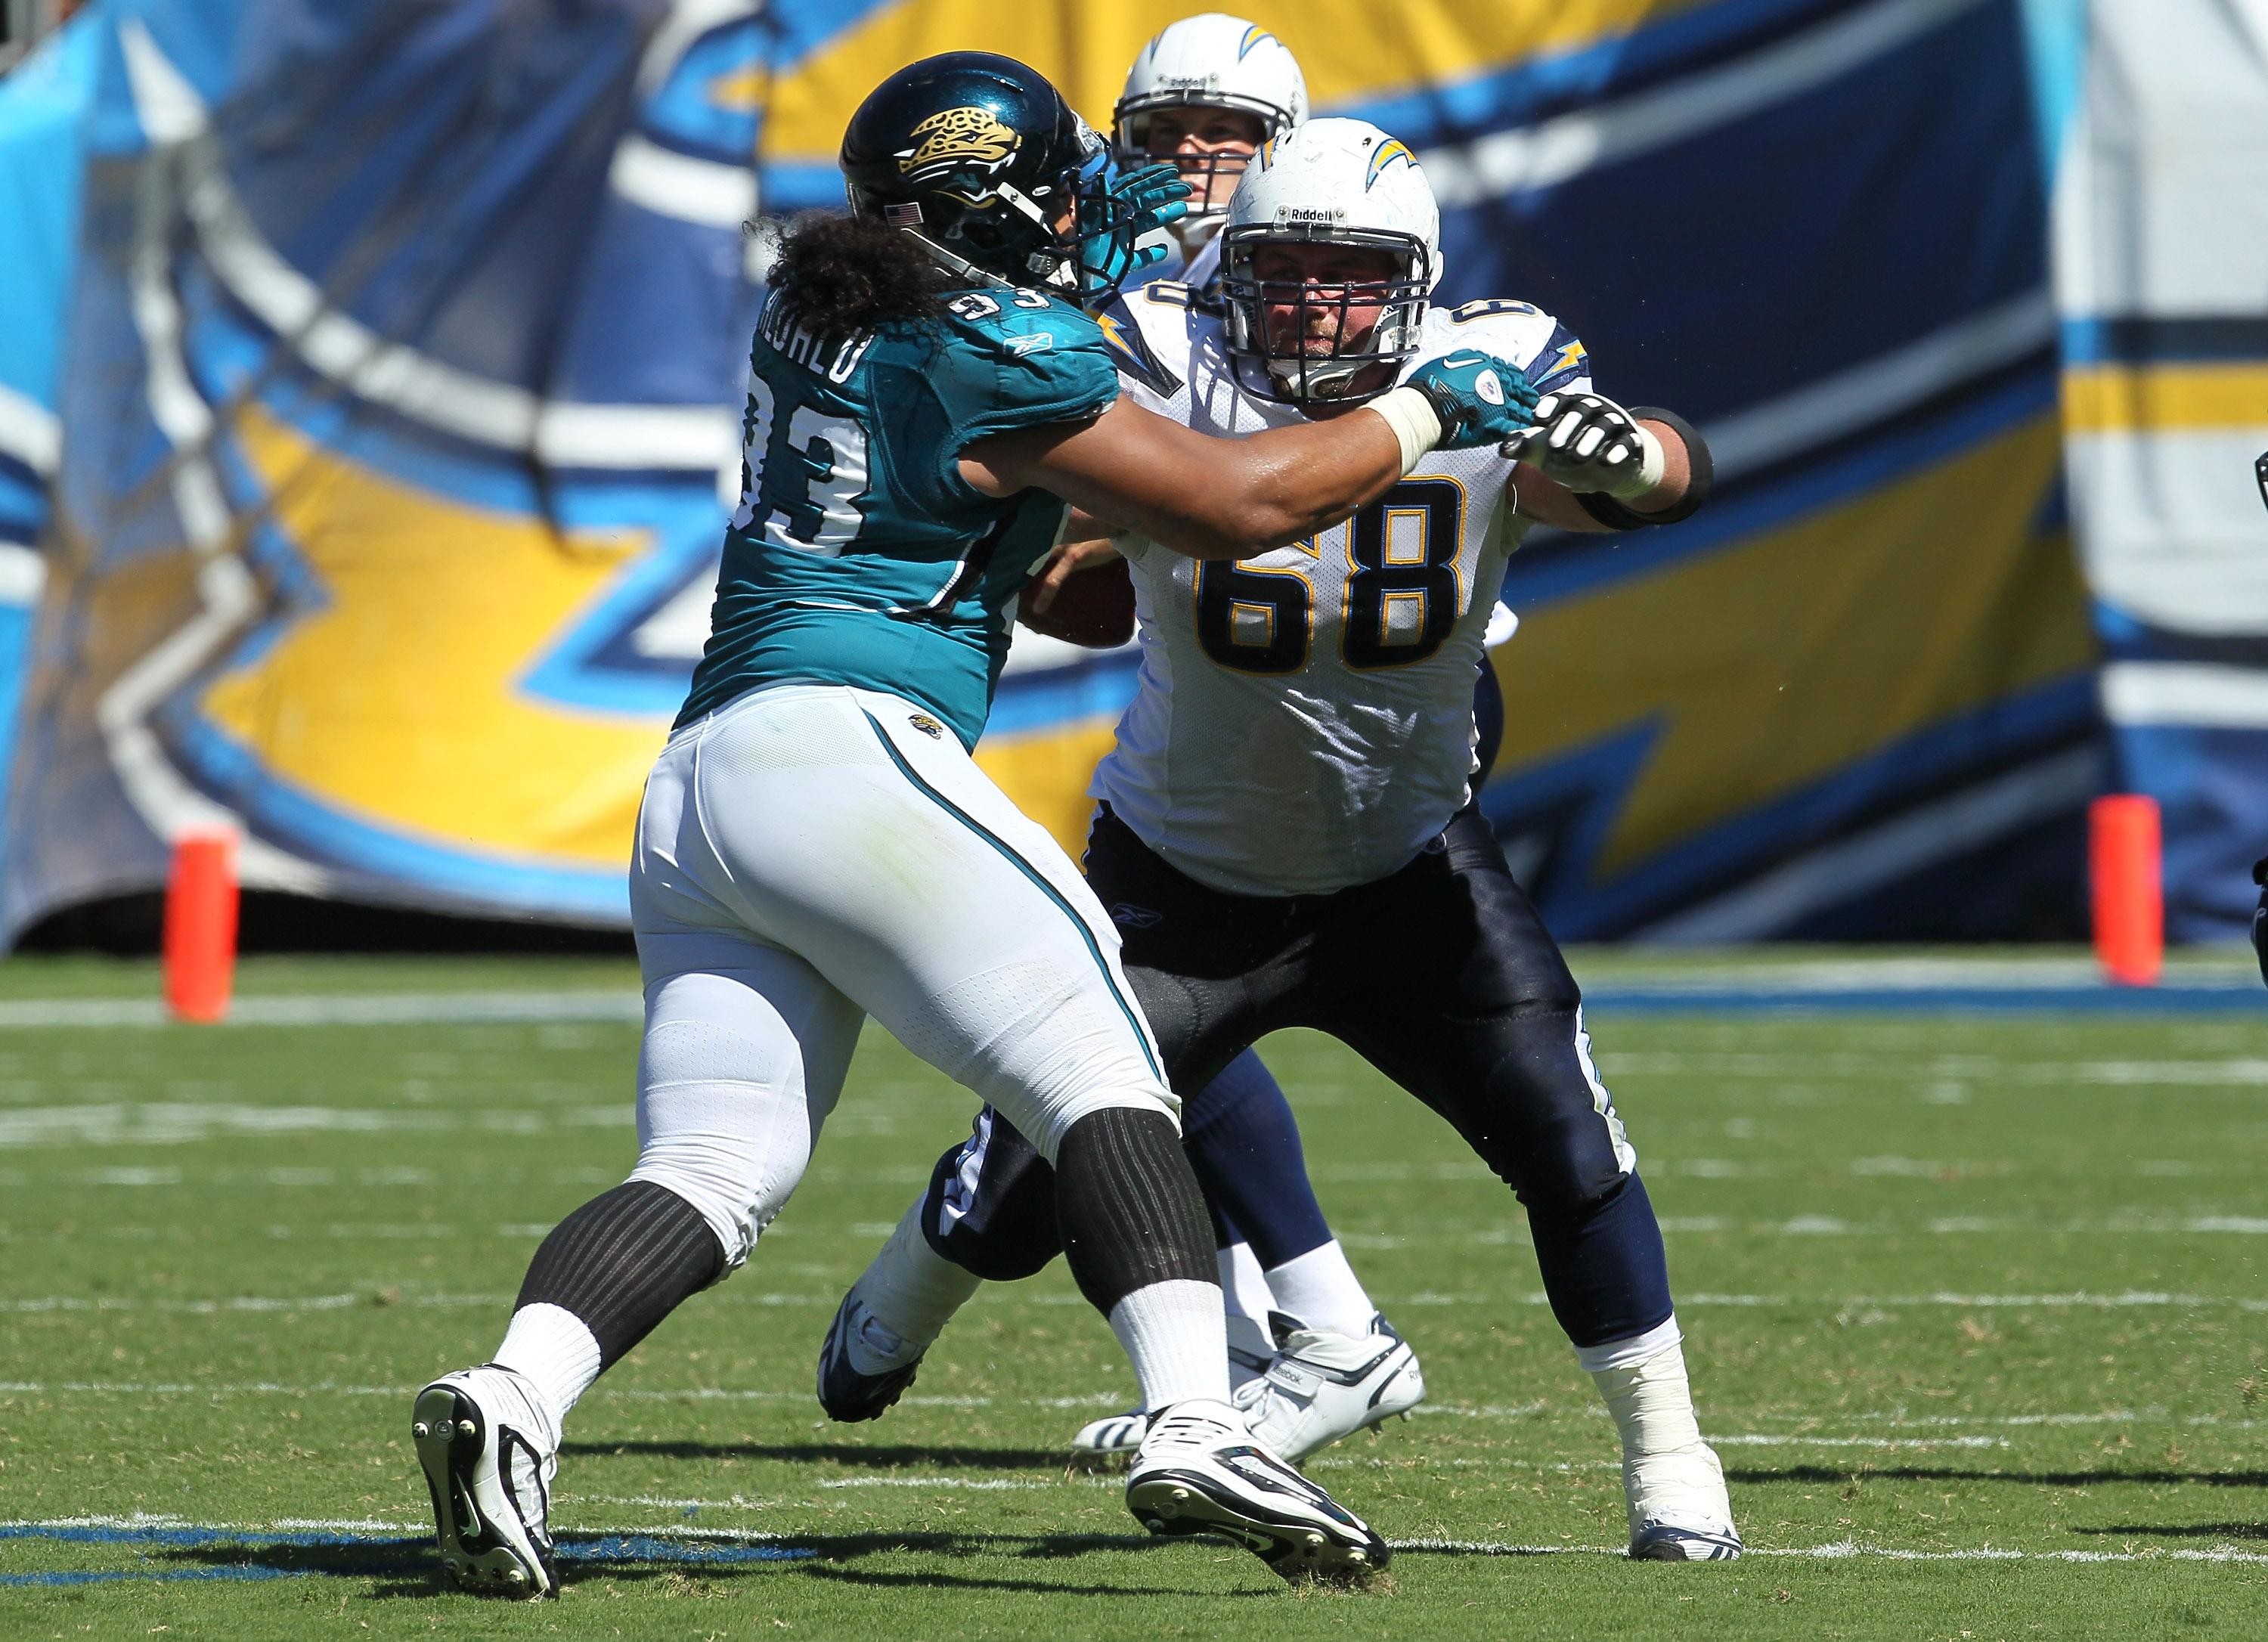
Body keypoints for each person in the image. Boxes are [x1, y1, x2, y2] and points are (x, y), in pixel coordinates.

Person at [407, 53, 1538, 1597]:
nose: (1094, 206)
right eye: (1063, 184)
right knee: (1112, 1064)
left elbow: (1035, 508)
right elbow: (1236, 506)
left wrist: (1097, 288)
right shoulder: (994, 341)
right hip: (851, 752)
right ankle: (1198, 1418)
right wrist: (1422, 410)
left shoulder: (821, 297)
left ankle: (511, 1397)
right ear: (990, 206)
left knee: (717, 1162)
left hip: (703, 786)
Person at [824, 116, 1746, 1563]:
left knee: (1574, 1148)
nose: (1313, 301)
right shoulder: (1169, 358)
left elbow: (1661, 476)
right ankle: (903, 1299)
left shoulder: (1493, 354)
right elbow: (1089, 565)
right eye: (1285, 269)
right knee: (1030, 1186)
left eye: (1347, 274)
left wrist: (1628, 453)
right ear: (1236, 269)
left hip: (1411, 870)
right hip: (1183, 881)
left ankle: (1673, 1462)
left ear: (1418, 283)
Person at [1111, 13, 1305, 293]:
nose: (1186, 151)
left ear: (1277, 143)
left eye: (1218, 132)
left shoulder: (1281, 289)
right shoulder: (1170, 287)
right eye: (1168, 131)